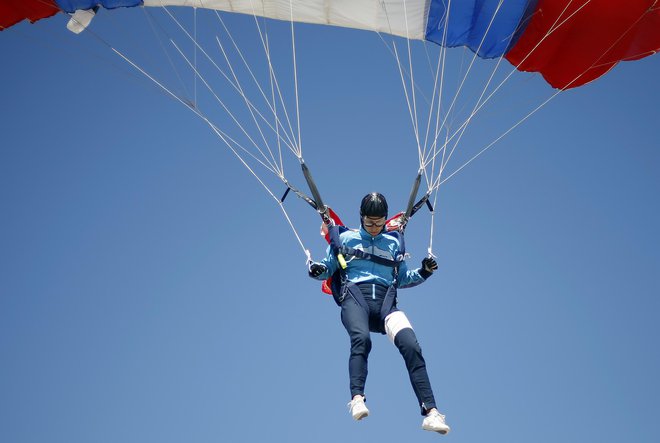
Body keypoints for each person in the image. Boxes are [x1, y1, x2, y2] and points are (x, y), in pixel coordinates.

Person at [308, 192, 450, 434]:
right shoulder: (346, 238)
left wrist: (425, 271)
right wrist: (318, 270)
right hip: (355, 299)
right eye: (369, 223)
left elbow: (404, 277)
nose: (374, 228)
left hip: (386, 305)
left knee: (412, 346)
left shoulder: (394, 242)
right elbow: (328, 268)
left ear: (385, 220)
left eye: (379, 223)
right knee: (361, 339)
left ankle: (431, 413)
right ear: (361, 219)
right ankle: (357, 399)